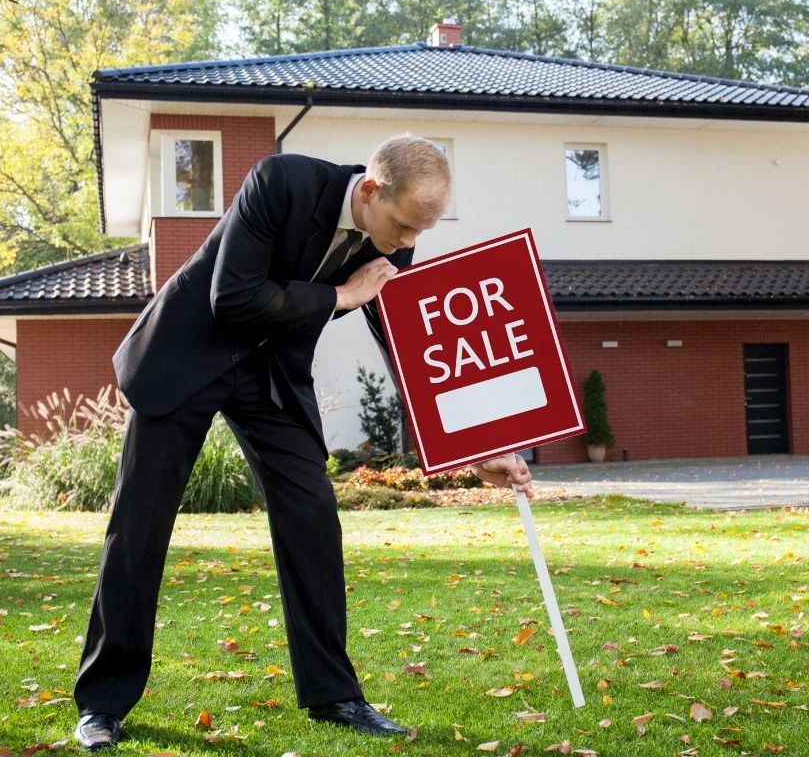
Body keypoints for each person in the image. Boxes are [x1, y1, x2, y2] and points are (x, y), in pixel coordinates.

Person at [72, 134, 533, 751]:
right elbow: (232, 298)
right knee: (139, 526)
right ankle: (102, 704)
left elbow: (407, 348)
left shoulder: (394, 244)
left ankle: (334, 695)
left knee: (313, 514)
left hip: (270, 379)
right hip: (186, 357)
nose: (405, 247)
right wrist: (343, 296)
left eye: (420, 234)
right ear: (369, 191)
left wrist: (476, 445)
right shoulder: (280, 182)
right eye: (401, 227)